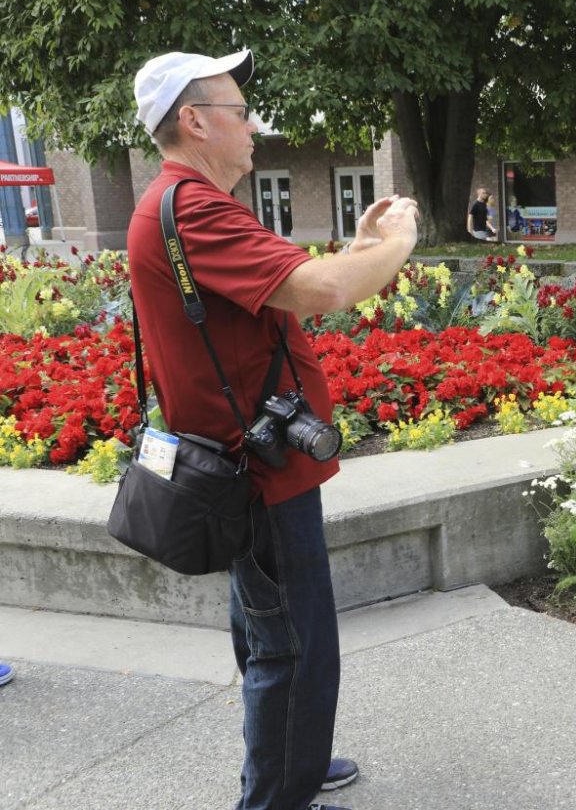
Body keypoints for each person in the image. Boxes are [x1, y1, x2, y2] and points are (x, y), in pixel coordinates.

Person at [129, 48, 419, 810]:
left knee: (271, 631)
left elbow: (289, 290)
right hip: (260, 470)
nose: (252, 125)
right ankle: (276, 795)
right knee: (291, 647)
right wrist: (399, 245)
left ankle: (296, 756)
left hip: (246, 462)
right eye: (237, 111)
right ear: (194, 121)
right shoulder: (192, 207)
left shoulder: (182, 202)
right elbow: (319, 292)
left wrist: (361, 250)